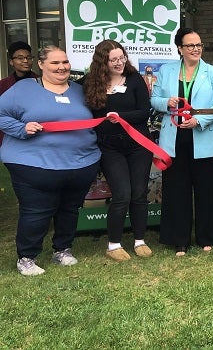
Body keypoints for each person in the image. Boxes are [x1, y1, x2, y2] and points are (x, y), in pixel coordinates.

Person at [0, 45, 101, 276]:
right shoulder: (23, 89)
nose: (61, 67)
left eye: (65, 62)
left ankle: (62, 250)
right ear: (41, 64)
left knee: (69, 209)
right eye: (55, 63)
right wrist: (21, 128)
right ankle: (27, 257)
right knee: (36, 211)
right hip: (34, 165)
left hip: (81, 164)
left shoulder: (80, 91)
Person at [151, 28, 213, 256]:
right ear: (180, 48)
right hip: (174, 139)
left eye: (199, 45)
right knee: (176, 191)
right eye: (191, 45)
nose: (196, 49)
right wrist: (167, 102)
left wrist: (198, 120)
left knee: (206, 190)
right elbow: (154, 99)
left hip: (203, 136)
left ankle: (207, 237)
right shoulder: (166, 70)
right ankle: (179, 239)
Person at [83, 40, 154, 261]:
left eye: (121, 57)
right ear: (102, 62)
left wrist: (120, 117)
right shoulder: (90, 82)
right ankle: (114, 244)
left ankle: (140, 240)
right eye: (113, 59)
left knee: (139, 193)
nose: (119, 62)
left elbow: (144, 112)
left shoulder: (134, 79)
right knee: (122, 194)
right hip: (109, 148)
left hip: (138, 145)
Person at [0, 41, 38, 145]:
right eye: (20, 58)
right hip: (8, 134)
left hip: (35, 131)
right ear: (11, 62)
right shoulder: (3, 85)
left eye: (29, 58)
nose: (25, 61)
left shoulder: (41, 82)